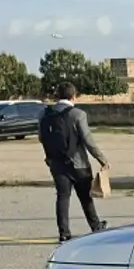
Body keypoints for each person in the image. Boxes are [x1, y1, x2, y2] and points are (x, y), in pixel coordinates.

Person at [38, 82, 110, 242]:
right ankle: (95, 226)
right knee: (85, 197)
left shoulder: (45, 114)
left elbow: (42, 138)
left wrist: (49, 158)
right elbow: (88, 140)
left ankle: (64, 232)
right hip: (79, 164)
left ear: (57, 96)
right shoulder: (78, 114)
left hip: (57, 164)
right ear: (73, 96)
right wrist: (102, 159)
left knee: (62, 197)